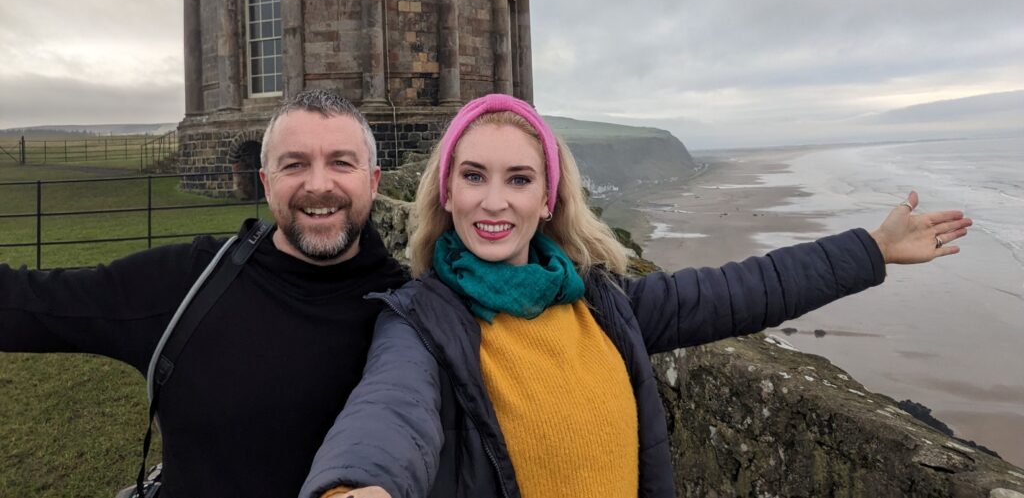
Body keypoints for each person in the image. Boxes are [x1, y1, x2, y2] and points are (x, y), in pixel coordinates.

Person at [300, 93, 972, 498]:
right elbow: (390, 411)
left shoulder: (602, 303)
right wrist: (358, 483)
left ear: (547, 197)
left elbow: (746, 290)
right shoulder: (421, 324)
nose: (494, 200)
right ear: (446, 191)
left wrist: (872, 248)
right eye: (473, 175)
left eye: (518, 178)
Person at [0, 89, 407, 497]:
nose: (319, 184)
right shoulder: (189, 281)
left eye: (341, 162)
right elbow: (27, 304)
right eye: (295, 164)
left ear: (372, 181)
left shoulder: (415, 310)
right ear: (266, 183)